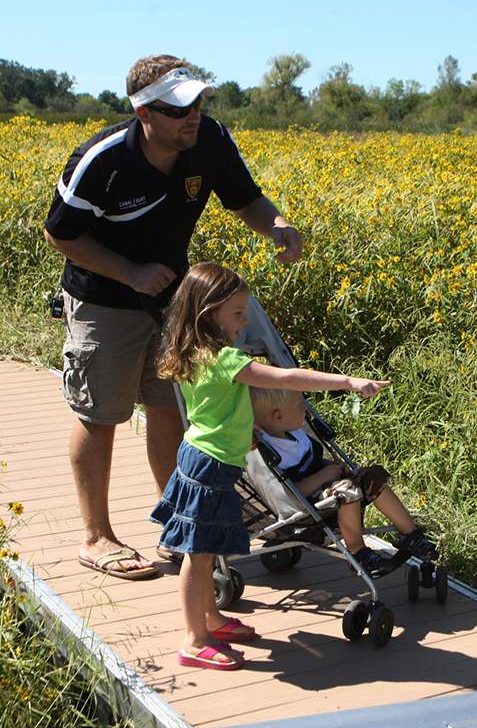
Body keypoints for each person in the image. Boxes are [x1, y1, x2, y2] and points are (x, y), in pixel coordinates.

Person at [43, 55, 303, 581]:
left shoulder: (209, 140)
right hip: (103, 298)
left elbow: (244, 199)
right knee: (102, 411)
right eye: (178, 109)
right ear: (144, 112)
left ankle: (177, 528)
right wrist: (130, 272)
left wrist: (276, 224)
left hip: (171, 300)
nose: (193, 117)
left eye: (198, 104)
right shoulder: (102, 158)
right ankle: (97, 537)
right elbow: (61, 234)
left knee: (172, 407)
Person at [149, 263, 385, 670]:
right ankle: (194, 639)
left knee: (205, 550)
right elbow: (287, 377)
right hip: (208, 466)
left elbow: (217, 408)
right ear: (208, 312)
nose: (243, 322)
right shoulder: (223, 358)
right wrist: (346, 382)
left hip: (207, 459)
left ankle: (211, 618)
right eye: (237, 314)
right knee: (198, 554)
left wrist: (246, 427)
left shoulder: (194, 353)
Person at [250, 387, 437, 575]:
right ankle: (358, 552)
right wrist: (325, 475)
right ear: (278, 416)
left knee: (373, 476)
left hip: (329, 485)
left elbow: (311, 462)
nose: (305, 409)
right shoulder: (268, 450)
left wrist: (334, 468)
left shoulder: (293, 433)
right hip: (305, 502)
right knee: (348, 490)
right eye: (299, 404)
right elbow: (292, 491)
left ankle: (410, 535)